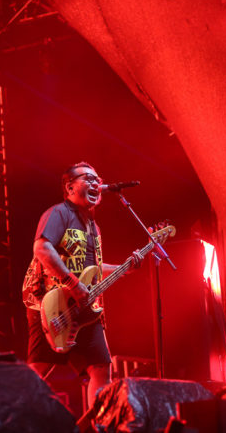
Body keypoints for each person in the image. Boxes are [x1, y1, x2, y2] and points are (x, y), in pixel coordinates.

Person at [21, 161, 142, 408]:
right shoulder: (59, 213)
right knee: (38, 371)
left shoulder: (93, 226)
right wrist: (72, 283)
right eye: (88, 178)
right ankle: (16, 419)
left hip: (83, 306)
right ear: (69, 187)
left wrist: (124, 267)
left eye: (98, 179)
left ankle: (98, 423)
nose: (96, 182)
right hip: (50, 302)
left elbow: (94, 270)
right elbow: (42, 248)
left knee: (101, 367)